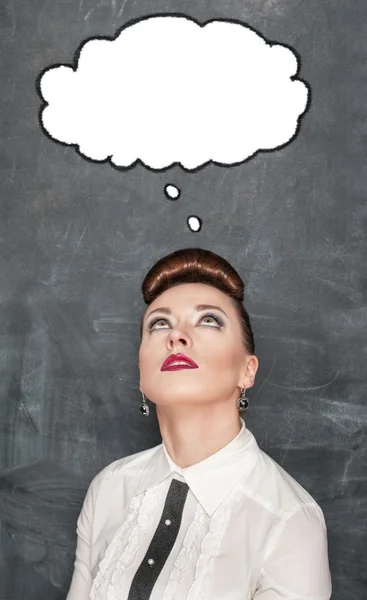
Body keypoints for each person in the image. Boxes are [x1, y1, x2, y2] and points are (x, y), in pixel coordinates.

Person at [66, 247, 332, 600]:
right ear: (142, 375)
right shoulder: (108, 490)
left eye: (209, 320)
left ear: (247, 370)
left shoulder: (289, 519)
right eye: (159, 323)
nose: (176, 336)